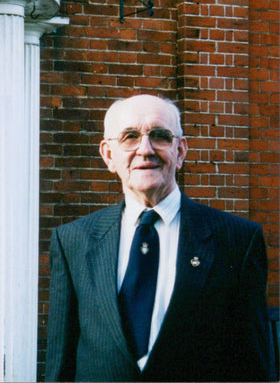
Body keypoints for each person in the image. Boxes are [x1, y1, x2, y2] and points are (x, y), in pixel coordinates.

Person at [46, 94, 275, 382]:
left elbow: (252, 366)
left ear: (180, 151)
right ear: (108, 155)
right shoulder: (73, 241)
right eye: (130, 136)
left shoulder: (237, 241)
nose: (145, 149)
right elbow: (60, 364)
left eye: (160, 136)